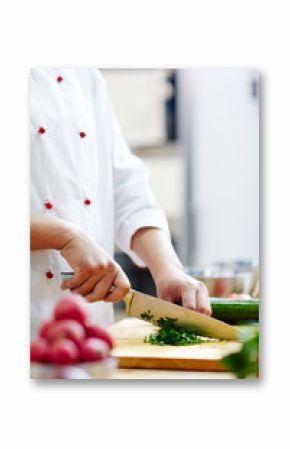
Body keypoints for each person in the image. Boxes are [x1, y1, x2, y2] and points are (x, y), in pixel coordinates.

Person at [30, 68, 211, 336]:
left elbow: (126, 188)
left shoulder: (84, 75)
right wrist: (64, 236)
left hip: (91, 331)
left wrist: (167, 269)